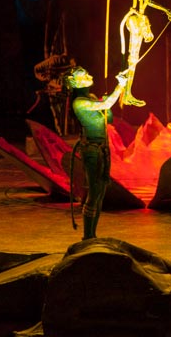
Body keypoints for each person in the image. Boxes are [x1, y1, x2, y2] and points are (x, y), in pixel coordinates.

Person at [65, 66, 128, 240]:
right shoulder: (79, 103)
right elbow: (106, 105)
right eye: (84, 75)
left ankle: (93, 234)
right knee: (94, 193)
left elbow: (109, 118)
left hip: (102, 147)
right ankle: (88, 236)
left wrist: (107, 102)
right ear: (75, 83)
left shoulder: (91, 98)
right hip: (91, 149)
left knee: (100, 193)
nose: (89, 76)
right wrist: (119, 87)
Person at [119, 0, 170, 107]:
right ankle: (126, 93)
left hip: (139, 18)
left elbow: (147, 2)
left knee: (134, 58)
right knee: (133, 58)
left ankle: (127, 92)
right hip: (136, 20)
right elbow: (137, 4)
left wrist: (165, 10)